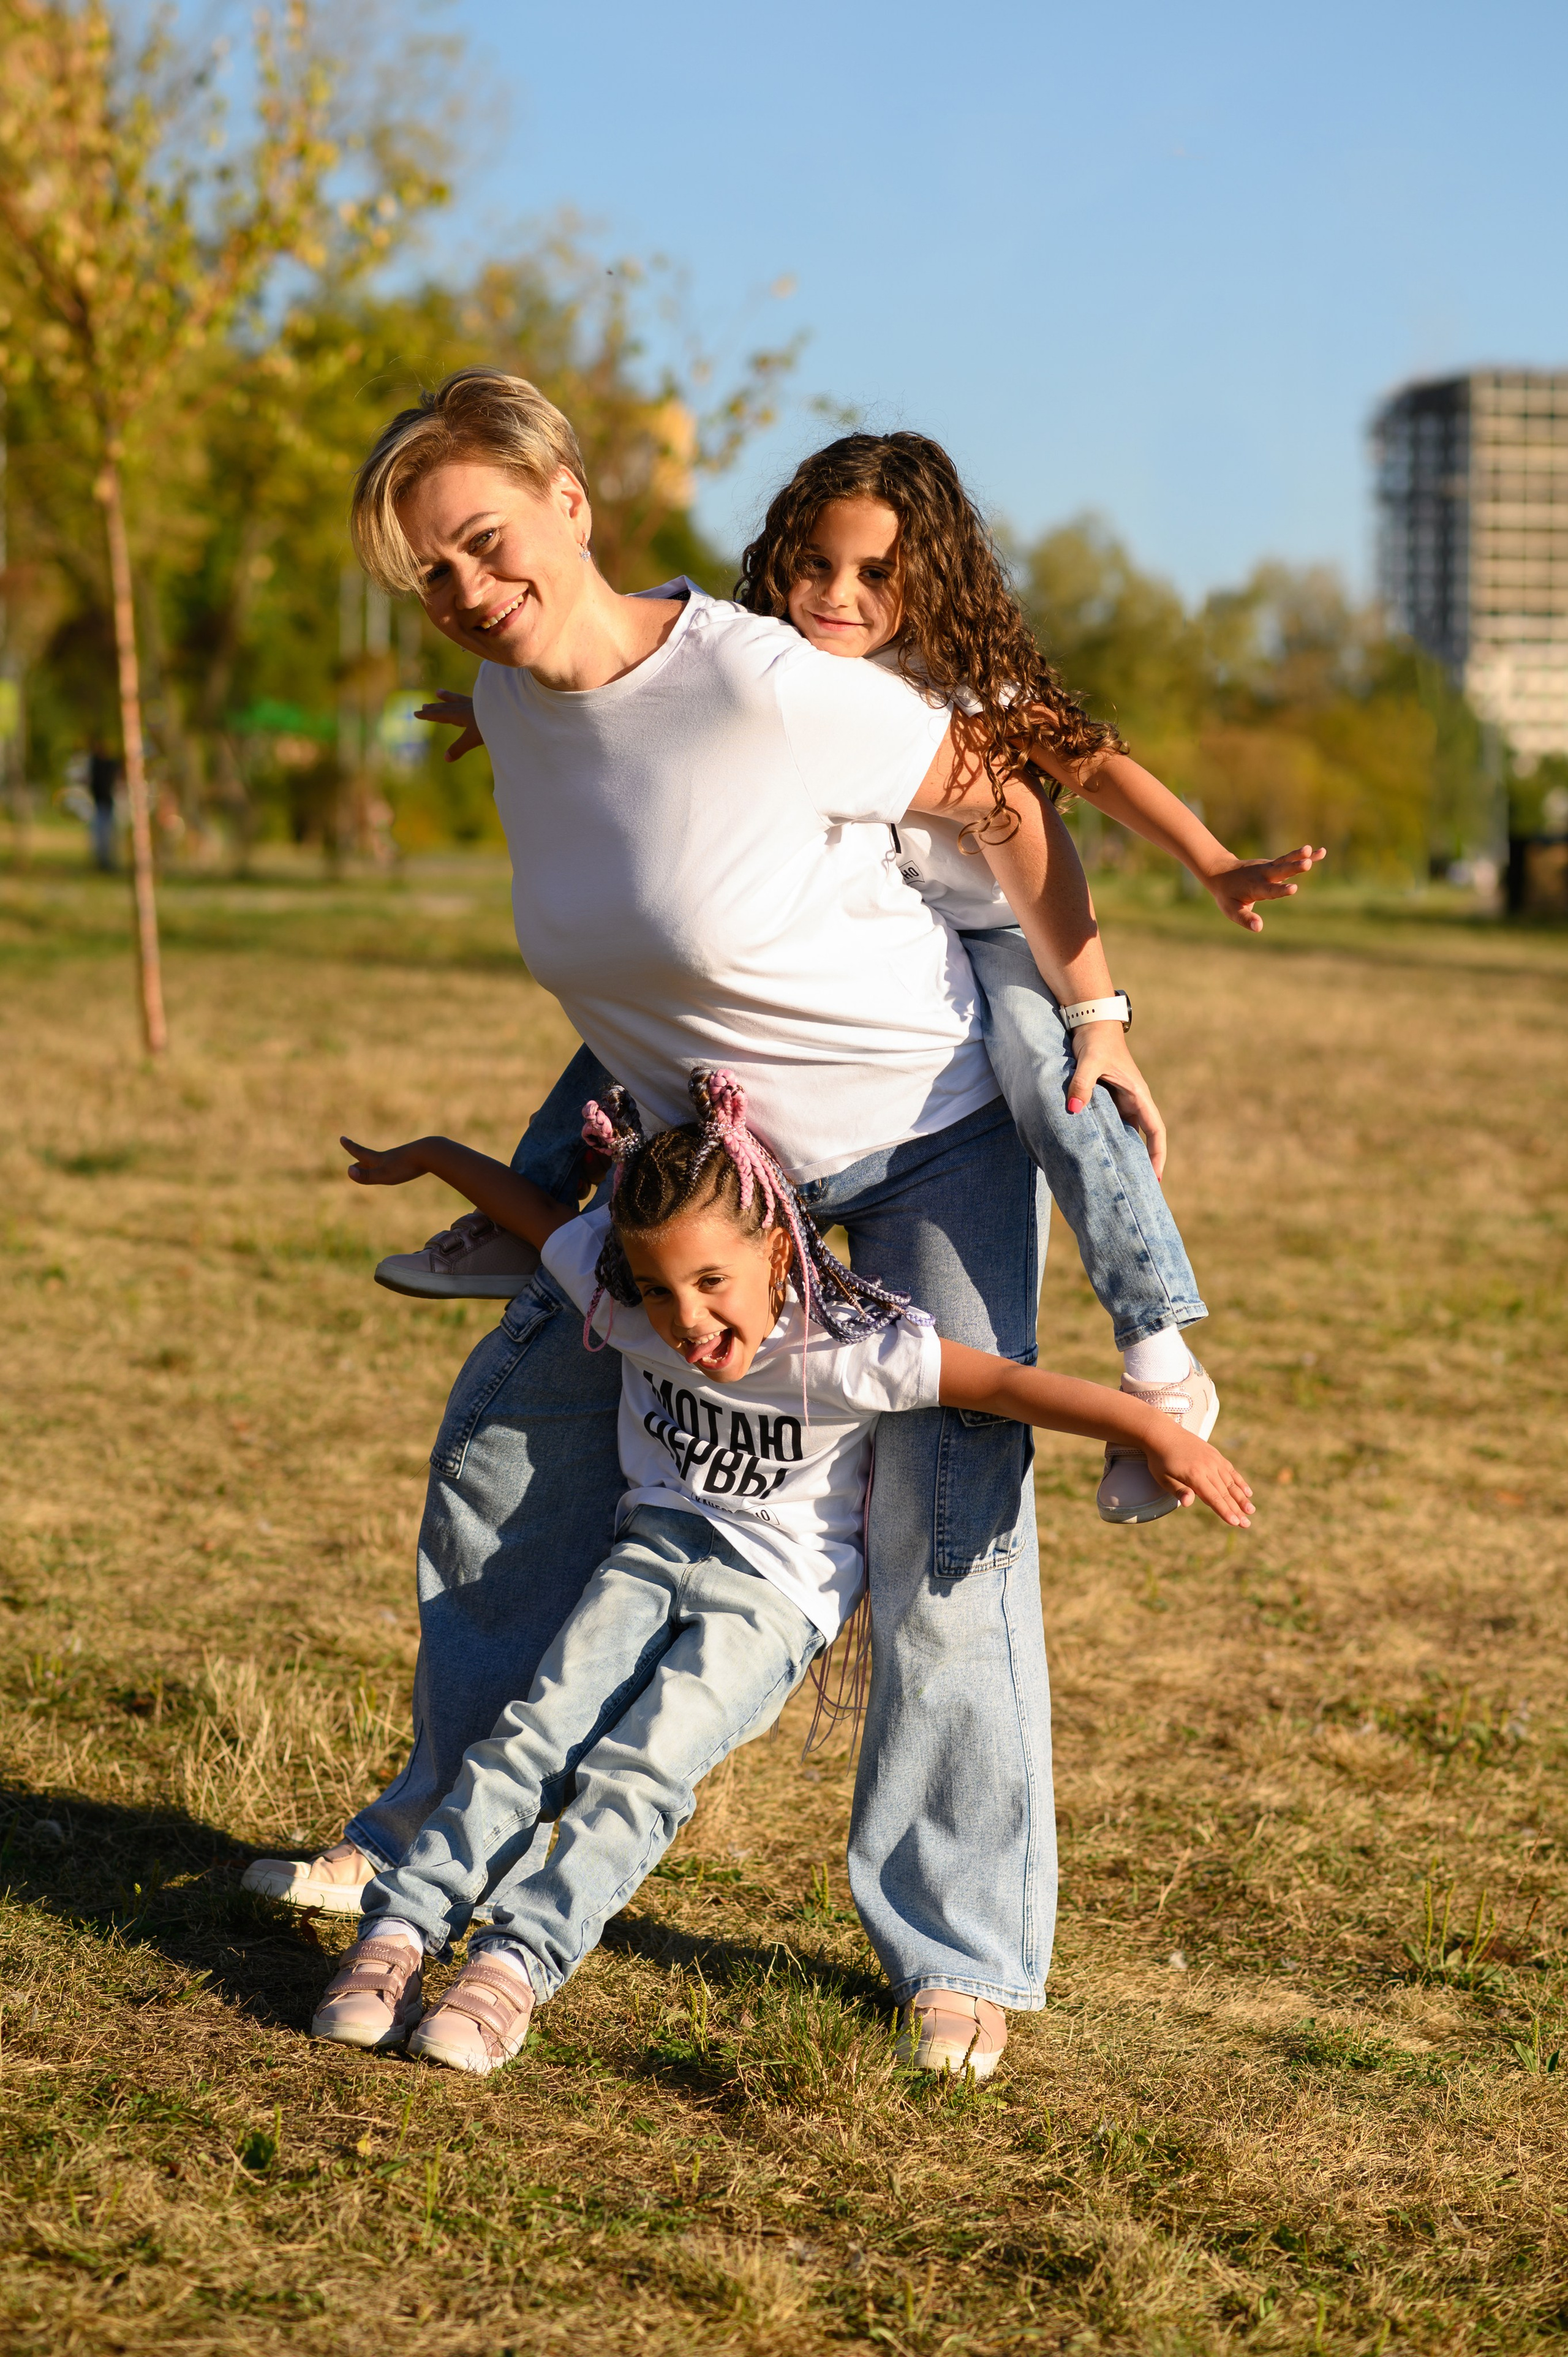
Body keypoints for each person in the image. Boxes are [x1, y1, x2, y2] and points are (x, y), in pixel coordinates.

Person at [244, 367, 1143, 2073]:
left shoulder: (760, 681)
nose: (468, 588)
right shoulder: (510, 704)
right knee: (516, 1446)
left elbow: (1006, 797)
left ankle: (957, 1943)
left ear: (570, 501)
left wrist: (1092, 1013)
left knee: (943, 1522)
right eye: (431, 572)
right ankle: (439, 1825)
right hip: (707, 1173)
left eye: (487, 540)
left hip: (917, 1140)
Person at [385, 433, 1324, 1526]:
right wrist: (511, 713)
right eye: (816, 564)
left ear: (932, 581)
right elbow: (625, 677)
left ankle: (1160, 1357)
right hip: (898, 937)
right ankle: (530, 1212)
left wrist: (1167, 920)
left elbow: (1085, 772)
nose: (838, 595)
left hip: (997, 936)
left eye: (877, 573)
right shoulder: (768, 666)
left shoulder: (951, 686)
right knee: (607, 1043)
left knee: (1056, 1085)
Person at [311, 1071, 1251, 2078]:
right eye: (661, 1289)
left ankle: (512, 1970)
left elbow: (1006, 1383)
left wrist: (1159, 1430)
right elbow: (537, 1217)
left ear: (774, 1252)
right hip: (648, 1556)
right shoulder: (621, 1299)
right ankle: (399, 1934)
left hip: (769, 1602)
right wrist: (432, 1155)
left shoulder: (848, 1349)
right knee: (531, 1737)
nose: (686, 1318)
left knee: (639, 1774)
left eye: (712, 1283)